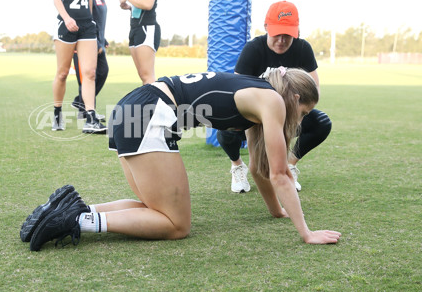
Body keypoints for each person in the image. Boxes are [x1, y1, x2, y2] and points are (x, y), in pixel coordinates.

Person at [21, 68, 342, 251]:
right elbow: (281, 174)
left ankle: (70, 209)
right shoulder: (273, 101)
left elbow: (260, 169)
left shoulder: (257, 94)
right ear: (296, 98)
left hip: (132, 107)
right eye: (303, 113)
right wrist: (307, 233)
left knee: (157, 212)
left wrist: (277, 212)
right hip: (150, 113)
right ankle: (76, 221)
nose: (299, 121)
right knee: (177, 225)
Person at [217, 1, 332, 193]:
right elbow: (236, 91)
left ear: (296, 31)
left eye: (287, 34)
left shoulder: (303, 49)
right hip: (256, 115)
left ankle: (290, 165)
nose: (281, 39)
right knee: (225, 129)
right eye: (276, 33)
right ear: (266, 28)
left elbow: (314, 89)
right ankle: (237, 166)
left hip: (289, 114)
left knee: (321, 122)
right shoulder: (254, 49)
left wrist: (297, 116)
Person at [51, 0, 106, 134]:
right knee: (63, 73)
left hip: (86, 26)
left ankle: (90, 119)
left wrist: (92, 20)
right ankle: (57, 112)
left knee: (89, 73)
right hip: (67, 25)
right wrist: (67, 18)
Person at [71, 0, 109, 121]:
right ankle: (86, 110)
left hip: (97, 41)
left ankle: (83, 106)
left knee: (101, 72)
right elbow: (84, 18)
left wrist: (102, 39)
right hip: (85, 42)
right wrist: (95, 42)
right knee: (87, 77)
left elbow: (97, 19)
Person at [119, 0, 160, 85]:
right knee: (143, 75)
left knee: (148, 76)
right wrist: (129, 7)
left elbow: (148, 4)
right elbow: (140, 6)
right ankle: (148, 105)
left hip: (146, 28)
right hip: (135, 28)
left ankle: (154, 106)